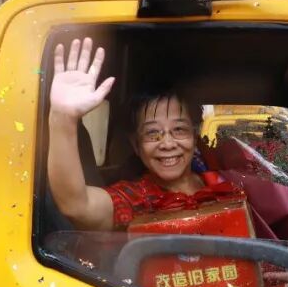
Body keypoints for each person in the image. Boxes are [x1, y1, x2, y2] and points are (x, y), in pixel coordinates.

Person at [47, 37, 206, 230]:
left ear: (195, 136)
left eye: (179, 129)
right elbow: (77, 206)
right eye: (152, 133)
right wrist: (63, 117)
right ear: (136, 145)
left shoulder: (223, 180)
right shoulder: (135, 198)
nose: (167, 143)